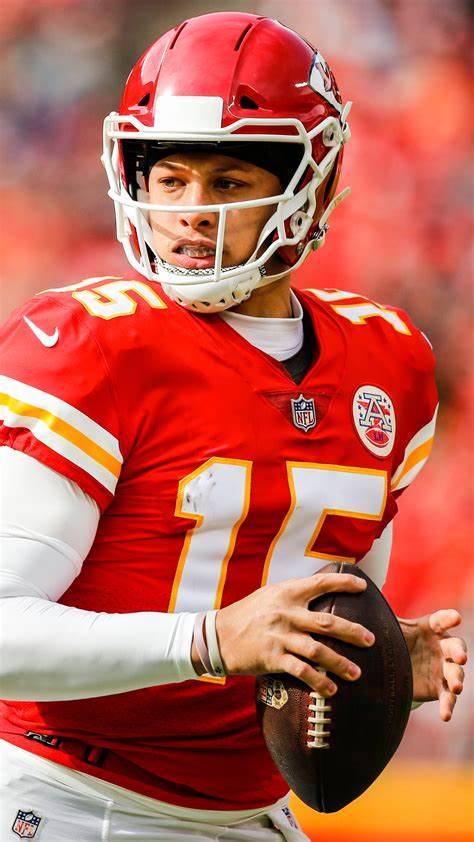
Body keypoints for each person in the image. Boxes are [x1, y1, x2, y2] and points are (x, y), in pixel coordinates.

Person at [0, 11, 467, 842]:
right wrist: (210, 641)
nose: (188, 213)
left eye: (226, 183)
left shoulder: (388, 360)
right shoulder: (88, 344)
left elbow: (326, 606)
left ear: (310, 183)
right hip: (70, 800)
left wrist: (375, 660)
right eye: (169, 179)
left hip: (252, 815)